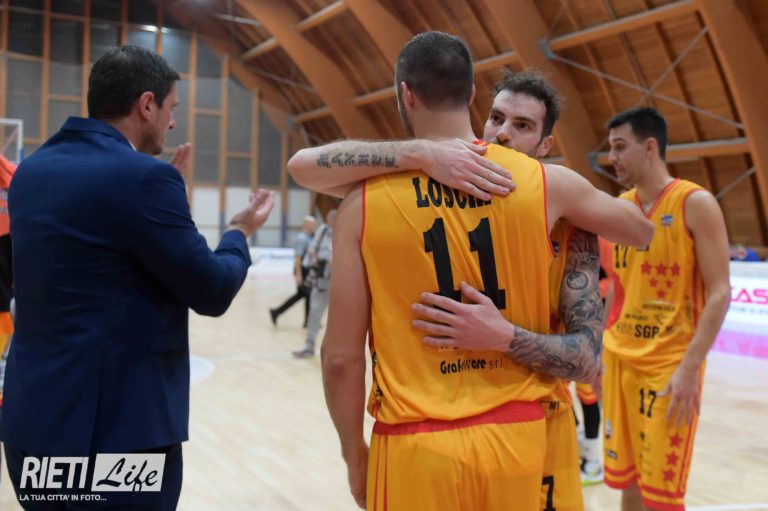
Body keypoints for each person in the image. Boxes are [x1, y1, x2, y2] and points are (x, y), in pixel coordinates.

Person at [319, 32, 654, 511]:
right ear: (474, 97)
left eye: (522, 125)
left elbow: (340, 359)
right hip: (519, 436)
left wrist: (355, 458)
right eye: (498, 119)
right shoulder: (547, 187)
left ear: (406, 94)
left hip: (418, 440)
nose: (503, 133)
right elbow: (641, 230)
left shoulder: (362, 200)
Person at [2, 45, 274, 510]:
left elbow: (97, 250)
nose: (173, 123)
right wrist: (239, 231)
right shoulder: (144, 181)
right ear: (147, 104)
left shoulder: (30, 173)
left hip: (31, 429)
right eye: (171, 108)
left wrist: (158, 204)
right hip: (114, 441)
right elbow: (212, 290)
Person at [603, 107, 730, 511]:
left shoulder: (695, 202)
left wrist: (690, 368)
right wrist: (599, 349)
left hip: (669, 368)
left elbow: (720, 293)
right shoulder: (620, 206)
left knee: (661, 496)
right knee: (628, 485)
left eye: (620, 147)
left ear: (649, 148)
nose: (611, 158)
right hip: (619, 360)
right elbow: (617, 286)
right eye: (610, 148)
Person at [292, 210, 335, 358]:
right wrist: (316, 258)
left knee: (338, 319)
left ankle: (335, 351)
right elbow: (311, 249)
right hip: (321, 280)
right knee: (314, 312)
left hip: (339, 282)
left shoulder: (345, 232)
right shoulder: (322, 231)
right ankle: (309, 345)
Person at [270, 215, 317, 327]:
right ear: (307, 224)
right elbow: (298, 257)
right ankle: (307, 322)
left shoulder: (308, 237)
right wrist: (299, 274)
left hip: (305, 270)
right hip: (302, 270)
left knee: (303, 295)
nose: (315, 227)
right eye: (313, 224)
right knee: (308, 295)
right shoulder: (302, 238)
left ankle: (276, 312)